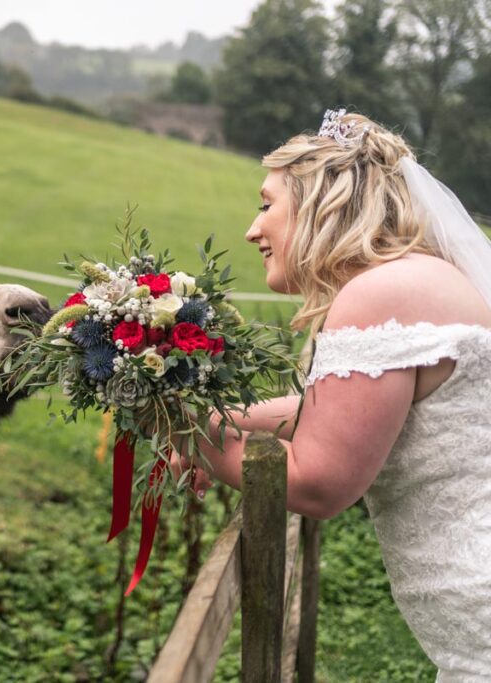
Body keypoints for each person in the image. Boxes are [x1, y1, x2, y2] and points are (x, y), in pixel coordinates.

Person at [173, 109, 491, 681]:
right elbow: (332, 414)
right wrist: (209, 418)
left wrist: (179, 433)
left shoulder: (379, 294)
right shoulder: (422, 278)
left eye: (267, 204)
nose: (252, 229)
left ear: (324, 200)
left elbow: (318, 481)